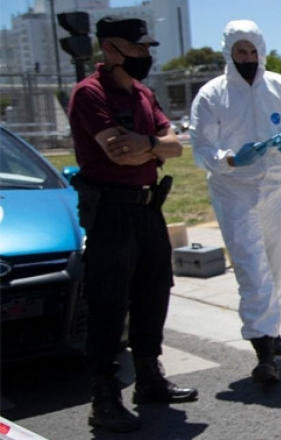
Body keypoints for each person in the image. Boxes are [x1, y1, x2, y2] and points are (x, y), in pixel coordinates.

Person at [66, 16, 197, 433]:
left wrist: (152, 147)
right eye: (137, 48)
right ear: (110, 49)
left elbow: (177, 146)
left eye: (146, 48)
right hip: (112, 211)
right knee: (108, 303)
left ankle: (149, 379)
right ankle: (104, 396)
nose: (146, 55)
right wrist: (153, 148)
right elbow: (119, 154)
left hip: (147, 209)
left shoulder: (143, 94)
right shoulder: (89, 94)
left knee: (153, 293)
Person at [190, 20, 281, 384]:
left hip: (279, 186)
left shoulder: (280, 86)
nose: (247, 58)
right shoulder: (212, 95)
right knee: (251, 268)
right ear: (228, 52)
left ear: (262, 51)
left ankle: (272, 329)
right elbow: (201, 149)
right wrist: (230, 159)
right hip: (233, 188)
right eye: (240, 52)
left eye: (253, 51)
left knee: (277, 264)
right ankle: (263, 350)